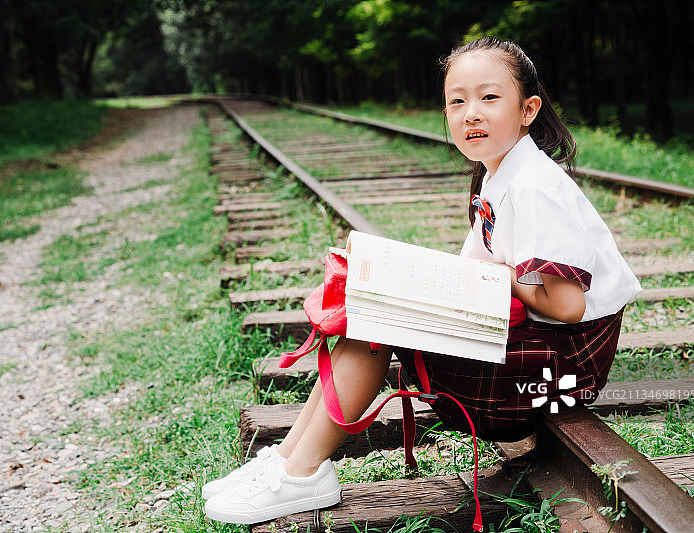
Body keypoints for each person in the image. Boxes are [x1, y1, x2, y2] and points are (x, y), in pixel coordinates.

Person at [203, 36, 642, 526]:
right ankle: (290, 459)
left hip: (560, 367)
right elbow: (470, 270)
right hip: (536, 344)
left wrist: (503, 279)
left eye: (489, 98)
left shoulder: (534, 186)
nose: (471, 113)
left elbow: (567, 306)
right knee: (364, 303)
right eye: (457, 101)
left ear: (528, 110)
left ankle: (304, 473)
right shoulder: (499, 175)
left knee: (374, 325)